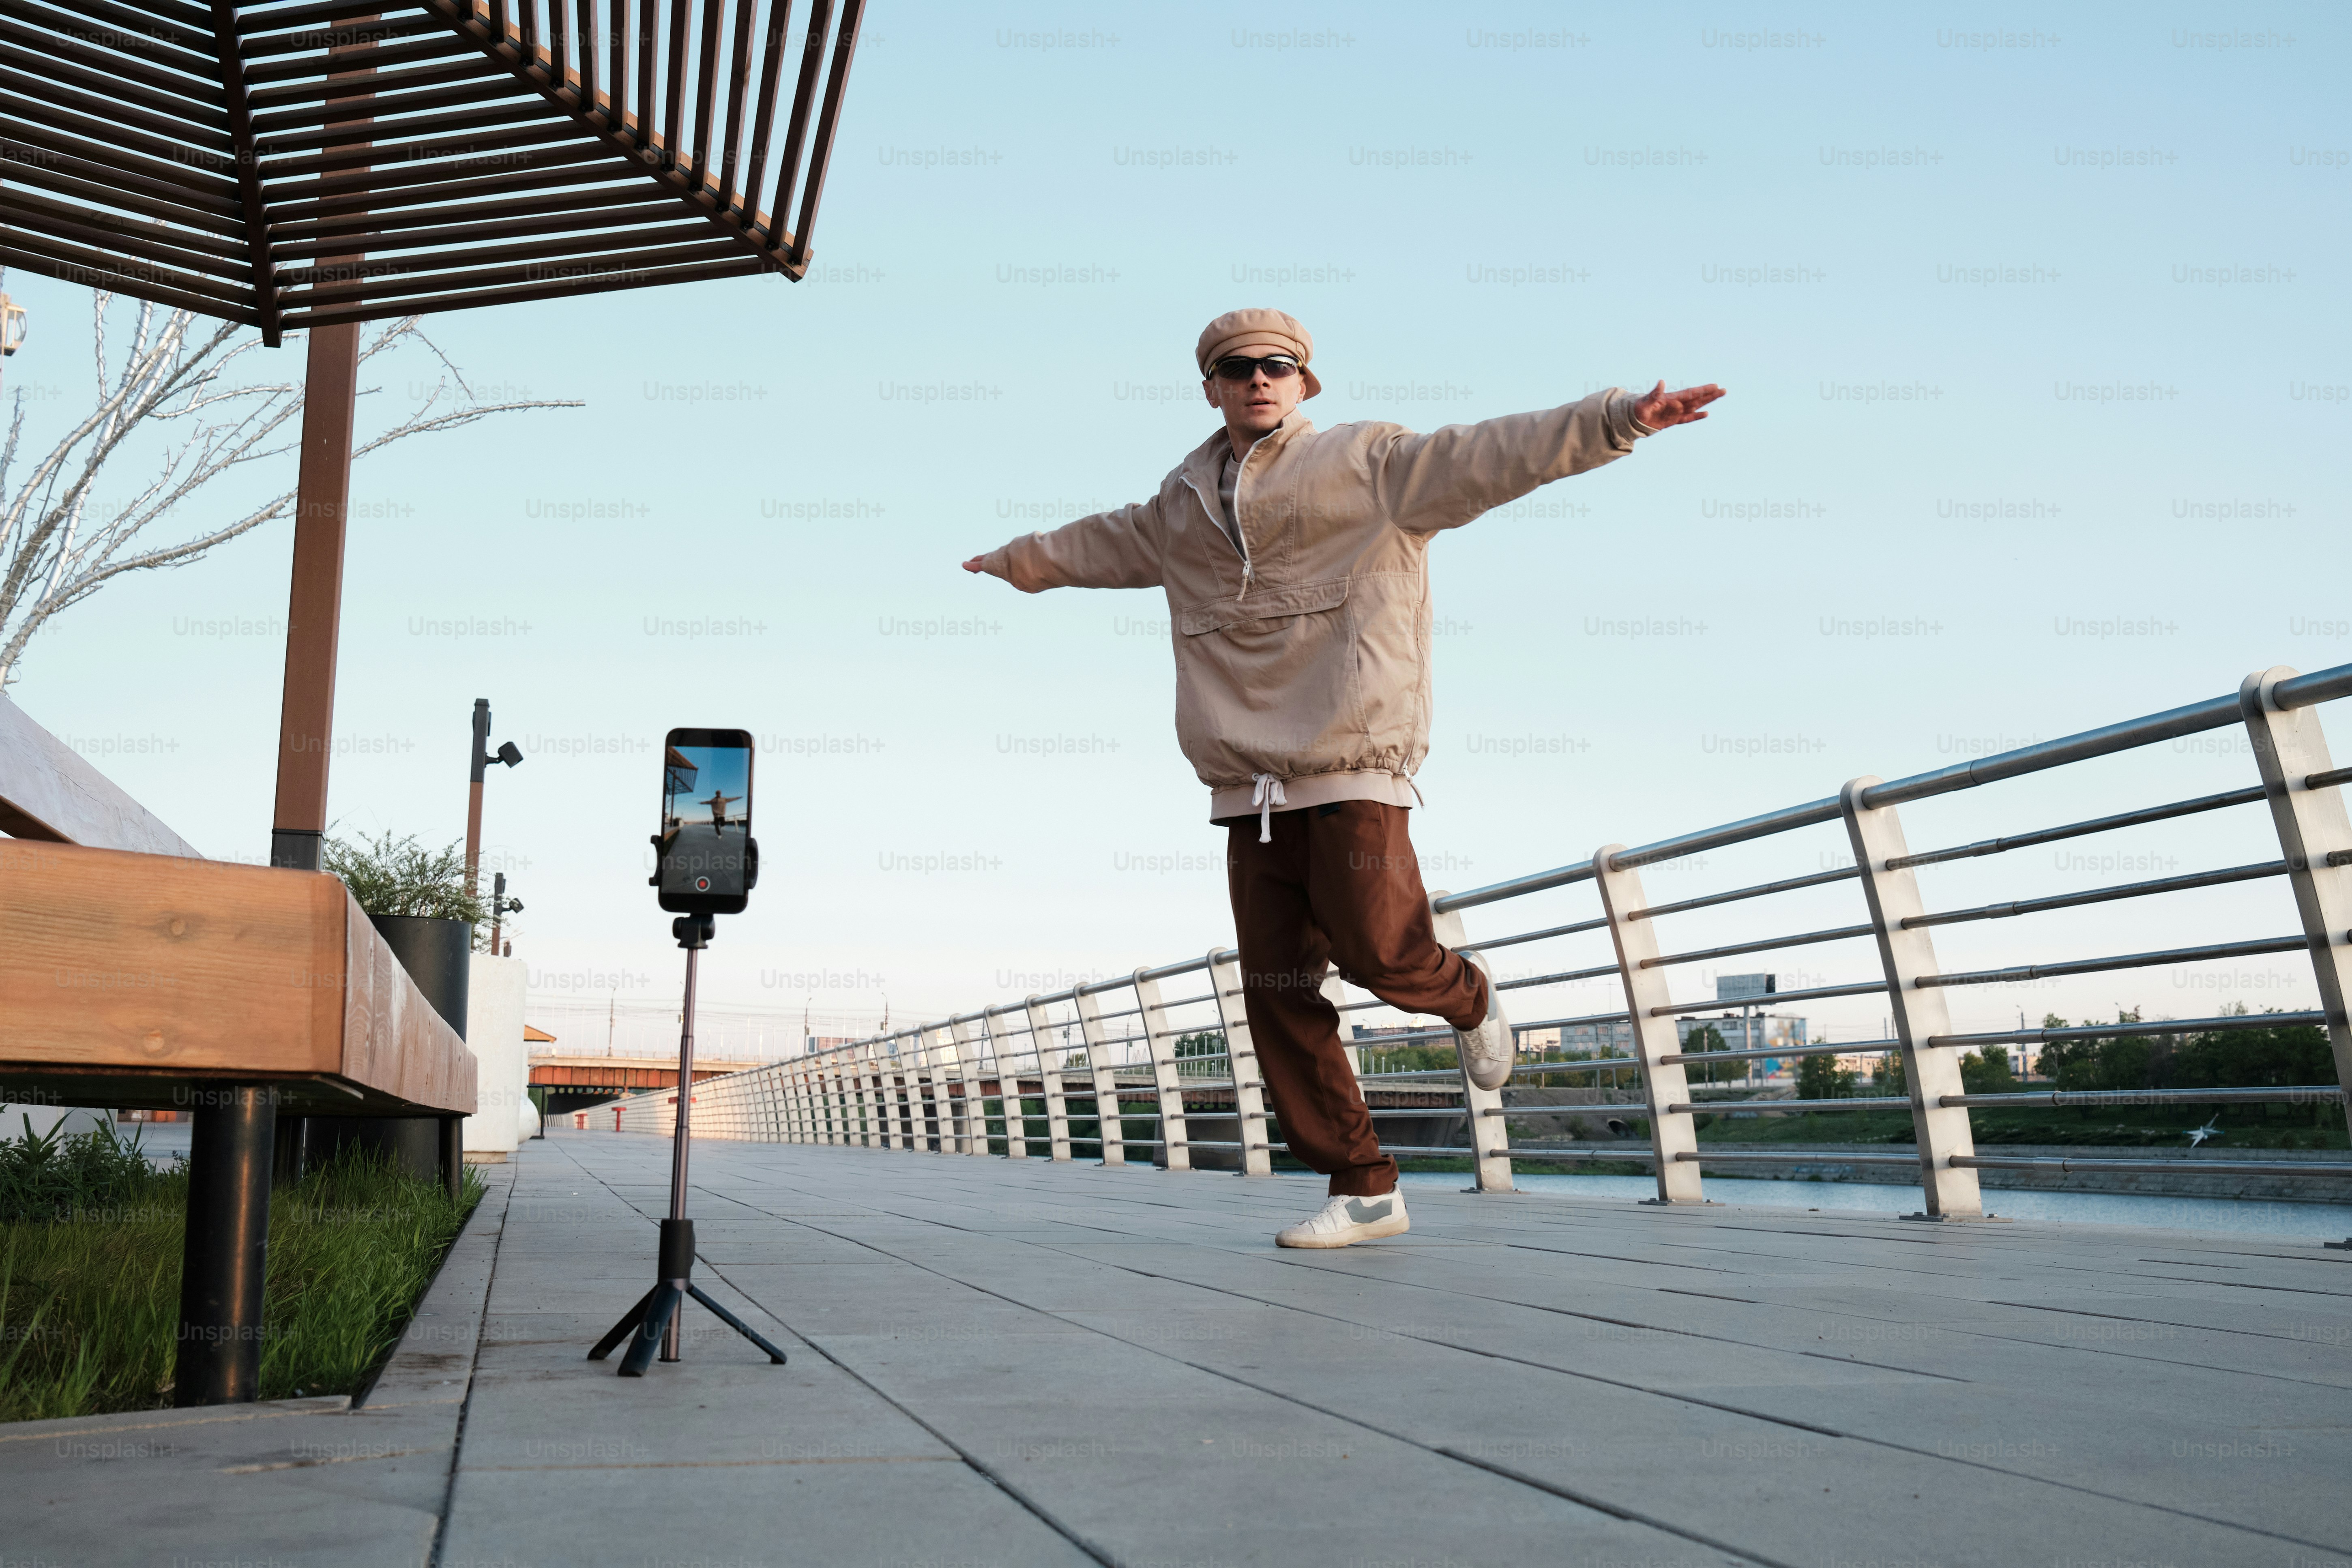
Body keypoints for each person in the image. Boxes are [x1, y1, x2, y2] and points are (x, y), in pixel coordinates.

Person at [963, 309, 1723, 1249]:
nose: (1258, 379)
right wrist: (1013, 562)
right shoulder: (1178, 509)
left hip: (1351, 759)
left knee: (1383, 954)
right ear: (1210, 386)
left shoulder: (1369, 466)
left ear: (1303, 382)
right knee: (1276, 989)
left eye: (1277, 366)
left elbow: (1488, 454)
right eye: (1236, 368)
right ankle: (1364, 1184)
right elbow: (1094, 542)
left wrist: (1617, 418)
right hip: (1248, 786)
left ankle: (1468, 996)